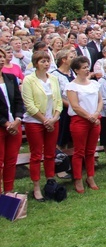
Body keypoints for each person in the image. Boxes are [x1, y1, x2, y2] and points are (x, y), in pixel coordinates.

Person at [22, 51, 62, 201]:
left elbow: (58, 101)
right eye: (42, 61)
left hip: (53, 120)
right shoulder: (29, 80)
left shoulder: (53, 79)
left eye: (48, 61)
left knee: (51, 153)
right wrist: (44, 120)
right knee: (36, 155)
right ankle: (36, 187)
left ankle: (50, 182)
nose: (46, 64)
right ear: (35, 63)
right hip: (35, 122)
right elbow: (29, 104)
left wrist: (54, 118)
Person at [66, 56, 103, 193]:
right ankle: (78, 178)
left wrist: (96, 114)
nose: (87, 69)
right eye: (83, 67)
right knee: (79, 151)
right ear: (76, 70)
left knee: (90, 151)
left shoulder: (94, 83)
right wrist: (89, 117)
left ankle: (90, 176)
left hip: (95, 119)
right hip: (80, 121)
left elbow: (100, 101)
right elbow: (75, 106)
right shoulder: (72, 86)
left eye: (88, 66)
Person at [0, 47, 24, 194]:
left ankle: (9, 191)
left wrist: (17, 119)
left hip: (14, 125)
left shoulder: (10, 78)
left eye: (3, 57)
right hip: (2, 126)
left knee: (10, 161)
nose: (2, 59)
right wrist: (5, 123)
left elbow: (18, 101)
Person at [51, 46, 76, 149]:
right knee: (62, 138)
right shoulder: (54, 75)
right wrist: (71, 105)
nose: (74, 59)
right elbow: (56, 96)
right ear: (64, 60)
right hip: (63, 111)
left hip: (74, 110)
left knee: (72, 138)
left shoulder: (73, 73)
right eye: (71, 57)